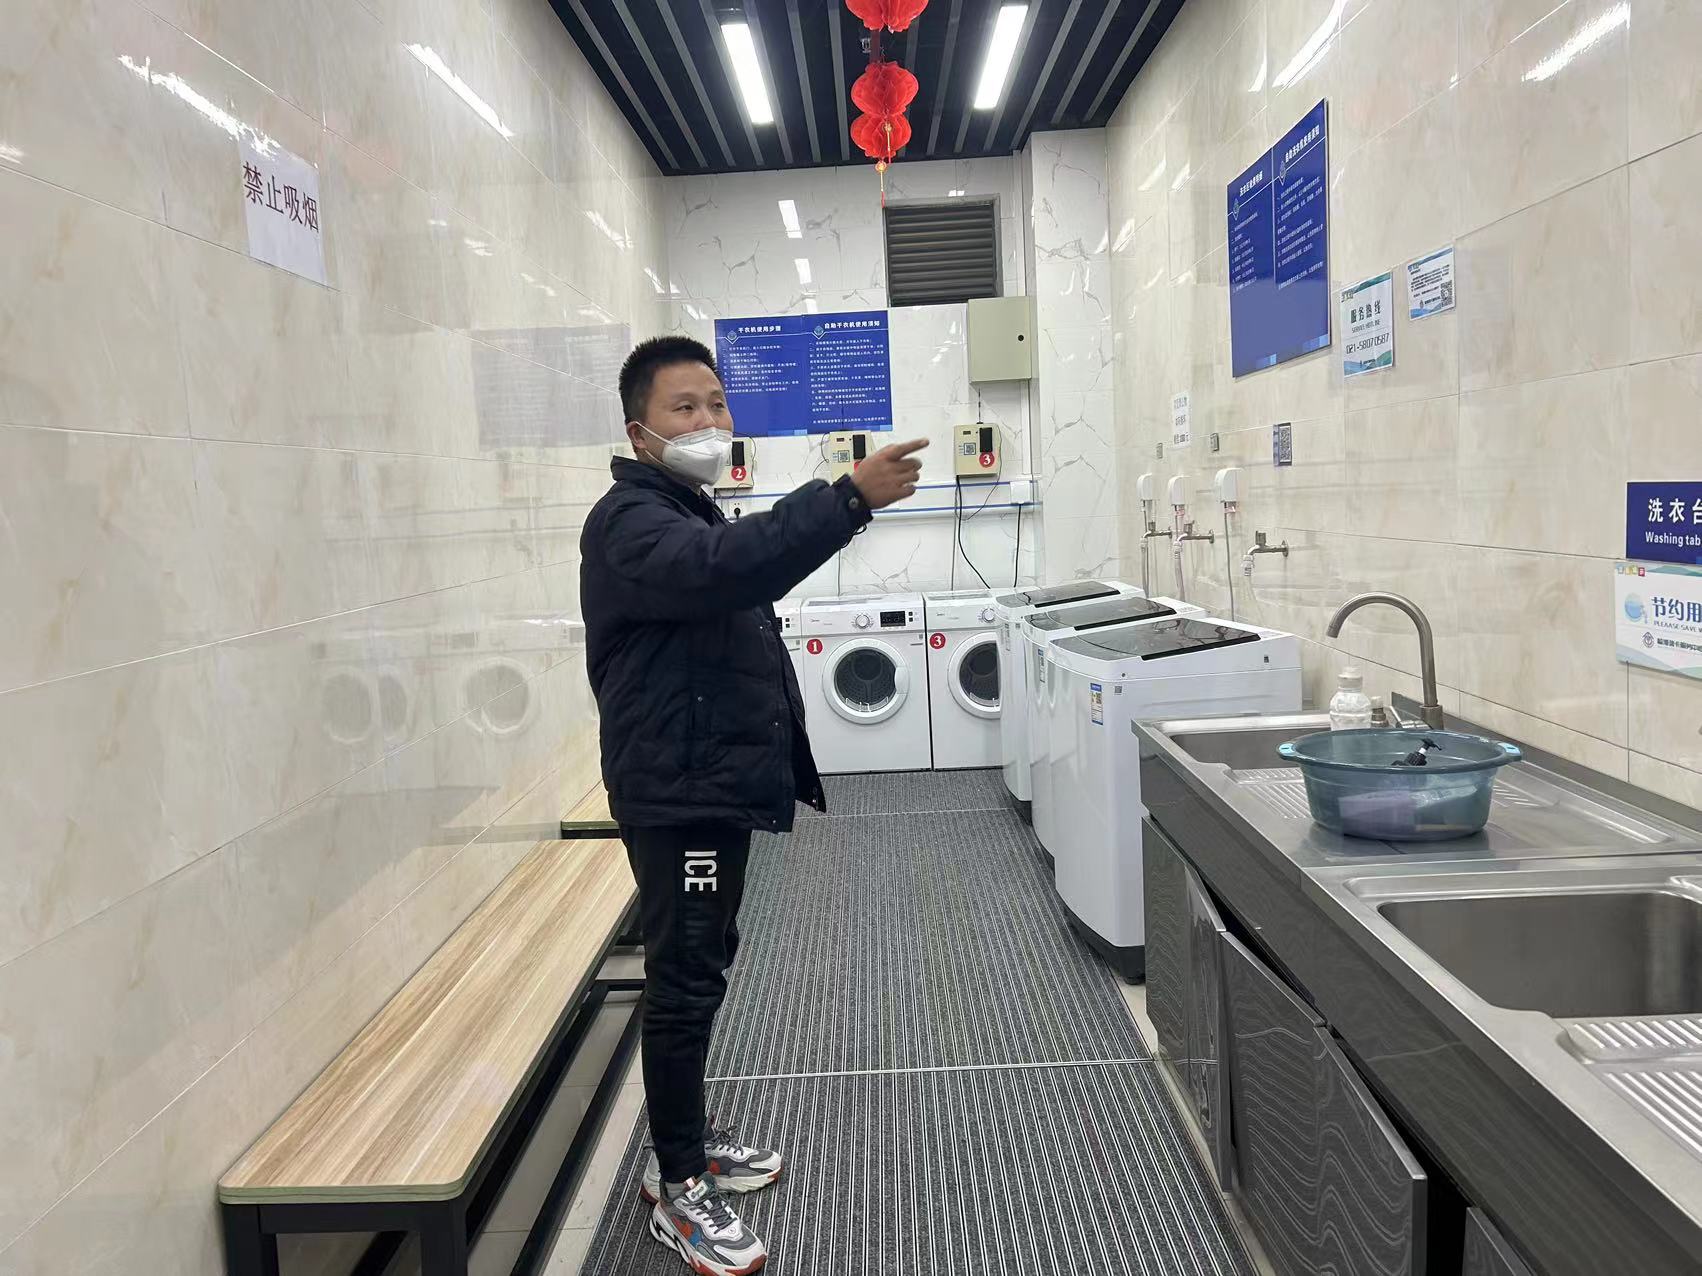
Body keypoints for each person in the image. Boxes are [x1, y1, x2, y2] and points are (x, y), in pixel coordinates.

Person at [580, 335, 926, 1275]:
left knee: (705, 962)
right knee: (686, 978)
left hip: (703, 780)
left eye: (716, 403)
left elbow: (732, 566)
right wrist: (847, 499)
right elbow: (728, 567)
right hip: (678, 794)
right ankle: (678, 1183)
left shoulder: (682, 507)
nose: (708, 421)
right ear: (639, 432)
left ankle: (684, 1141)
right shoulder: (629, 522)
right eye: (684, 408)